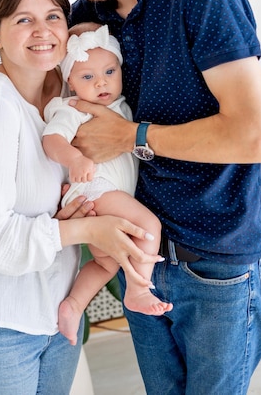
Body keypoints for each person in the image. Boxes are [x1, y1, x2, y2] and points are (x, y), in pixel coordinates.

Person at [11, 0, 261, 395]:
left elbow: (254, 136)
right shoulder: (86, 20)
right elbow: (61, 119)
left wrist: (133, 136)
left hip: (215, 265)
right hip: (138, 256)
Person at [0, 0, 159, 395]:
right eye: (24, 20)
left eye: (53, 16)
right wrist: (85, 227)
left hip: (54, 311)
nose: (44, 31)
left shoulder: (67, 92)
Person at [43, 22, 171, 346]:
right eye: (88, 77)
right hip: (95, 189)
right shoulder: (74, 108)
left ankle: (73, 306)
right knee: (148, 226)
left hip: (110, 194)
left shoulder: (121, 106)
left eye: (110, 71)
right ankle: (139, 287)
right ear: (70, 82)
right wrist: (74, 160)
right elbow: (51, 139)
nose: (102, 82)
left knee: (105, 262)